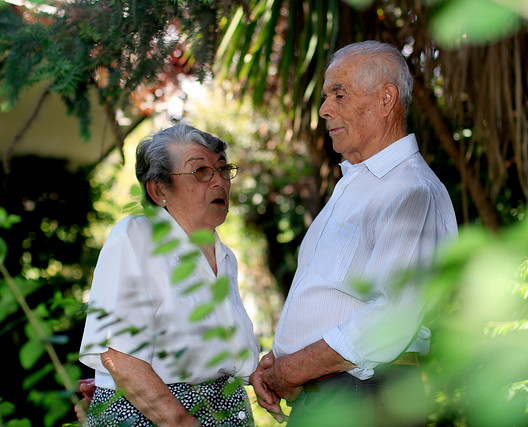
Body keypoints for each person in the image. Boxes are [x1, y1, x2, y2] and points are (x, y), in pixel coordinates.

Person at [249, 40, 458, 426]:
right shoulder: (357, 186)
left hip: (365, 398)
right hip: (336, 395)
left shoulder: (409, 189)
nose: (325, 109)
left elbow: (392, 315)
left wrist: (294, 368)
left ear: (385, 99)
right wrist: (284, 363)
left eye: (338, 94)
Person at [77, 124, 259, 426]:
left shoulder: (225, 256)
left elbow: (222, 358)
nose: (219, 183)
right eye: (201, 171)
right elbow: (118, 356)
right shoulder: (135, 236)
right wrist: (183, 422)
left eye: (224, 169)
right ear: (159, 189)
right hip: (155, 417)